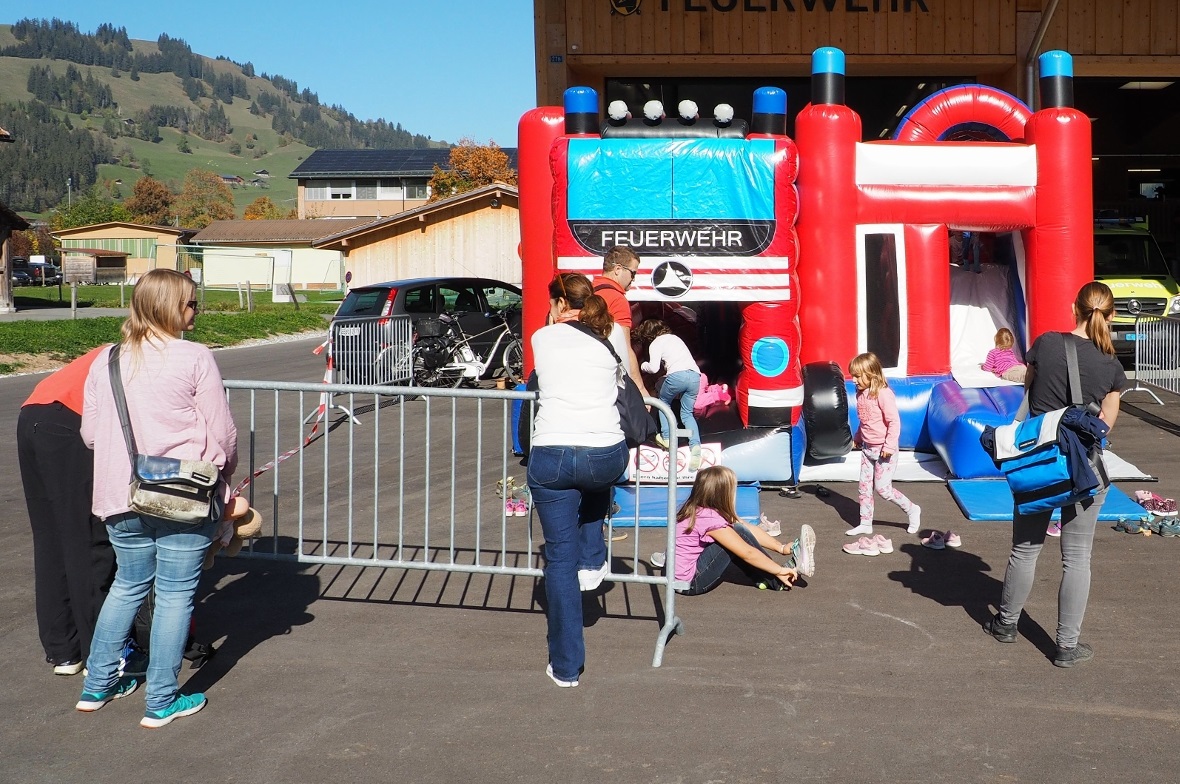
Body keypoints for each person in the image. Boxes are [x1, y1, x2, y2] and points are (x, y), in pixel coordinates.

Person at [76, 268, 238, 727]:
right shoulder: (194, 357)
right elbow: (222, 433)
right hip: (181, 494)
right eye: (191, 303)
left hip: (118, 494)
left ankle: (98, 685)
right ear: (170, 307)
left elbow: (90, 435)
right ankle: (161, 700)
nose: (195, 311)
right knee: (173, 595)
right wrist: (226, 473)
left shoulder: (106, 359)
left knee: (127, 586)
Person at [984, 282, 1127, 668]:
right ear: (1111, 316)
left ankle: (1006, 625)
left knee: (1025, 549)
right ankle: (1066, 646)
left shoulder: (1047, 344)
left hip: (1040, 466)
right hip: (1083, 471)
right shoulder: (1111, 365)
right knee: (1077, 558)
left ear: (1073, 309)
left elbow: (1029, 389)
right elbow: (1106, 425)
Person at [527, 272, 630, 688]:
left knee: (558, 561)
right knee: (594, 481)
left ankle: (566, 668)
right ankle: (593, 556)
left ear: (556, 304)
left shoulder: (540, 338)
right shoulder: (616, 334)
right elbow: (623, 383)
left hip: (550, 453)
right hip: (604, 452)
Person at [18, 346, 115, 676]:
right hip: (69, 420)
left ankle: (63, 650)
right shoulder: (148, 353)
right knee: (87, 540)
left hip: (34, 411)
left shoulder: (111, 350)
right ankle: (98, 657)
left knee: (51, 537)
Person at [674, 466, 815, 595]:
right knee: (736, 539)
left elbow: (746, 527)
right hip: (690, 583)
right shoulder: (709, 519)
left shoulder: (699, 509)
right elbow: (747, 553)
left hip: (681, 577)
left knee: (737, 530)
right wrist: (778, 570)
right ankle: (778, 580)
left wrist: (781, 547)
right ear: (722, 494)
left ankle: (765, 576)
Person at [844, 353, 921, 543]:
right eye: (852, 376)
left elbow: (894, 422)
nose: (853, 380)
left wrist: (888, 445)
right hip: (868, 449)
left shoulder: (883, 394)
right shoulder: (860, 393)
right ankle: (865, 522)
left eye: (857, 376)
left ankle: (912, 509)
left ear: (871, 374)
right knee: (863, 488)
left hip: (885, 450)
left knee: (883, 489)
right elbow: (865, 420)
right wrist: (858, 437)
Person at [636, 318, 703, 470]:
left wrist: (642, 365)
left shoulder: (655, 343)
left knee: (663, 403)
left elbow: (653, 368)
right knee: (687, 413)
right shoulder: (675, 338)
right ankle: (695, 446)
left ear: (648, 335)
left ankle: (667, 437)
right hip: (694, 376)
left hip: (676, 376)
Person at [592, 245, 650, 398]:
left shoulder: (588, 291)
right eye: (633, 273)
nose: (633, 279)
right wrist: (640, 388)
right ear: (618, 269)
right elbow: (625, 347)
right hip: (608, 379)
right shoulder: (617, 299)